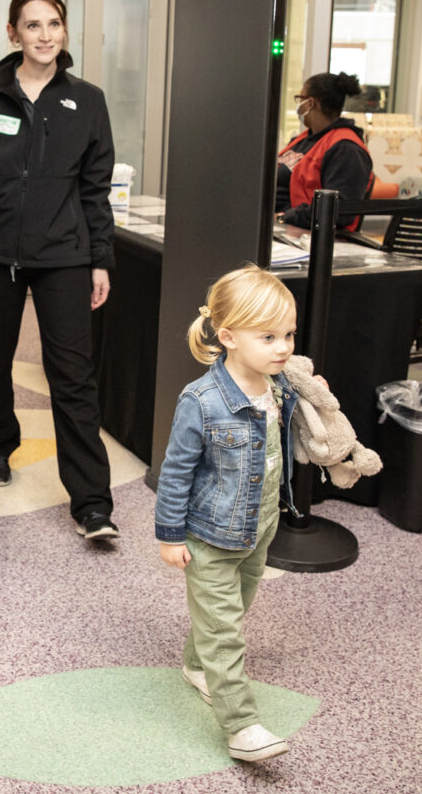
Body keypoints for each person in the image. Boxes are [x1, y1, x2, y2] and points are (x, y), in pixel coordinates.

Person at [0, 0, 119, 540]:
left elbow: (95, 189)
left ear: (64, 31)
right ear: (13, 33)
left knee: (72, 375)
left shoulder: (85, 100)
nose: (45, 36)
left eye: (54, 25)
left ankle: (91, 502)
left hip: (63, 254)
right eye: (33, 25)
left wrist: (100, 258)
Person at [154, 266, 301, 763]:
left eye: (288, 335)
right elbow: (175, 471)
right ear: (229, 337)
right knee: (226, 632)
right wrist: (171, 535)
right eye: (269, 337)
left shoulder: (276, 386)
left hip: (259, 529)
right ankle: (242, 726)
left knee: (233, 611)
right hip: (210, 537)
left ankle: (196, 666)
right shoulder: (203, 400)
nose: (283, 347)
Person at [276, 71, 375, 230]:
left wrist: (282, 217)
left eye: (300, 99)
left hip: (304, 235)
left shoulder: (346, 149)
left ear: (311, 103)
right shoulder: (303, 140)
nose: (298, 106)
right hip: (280, 228)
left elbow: (338, 210)